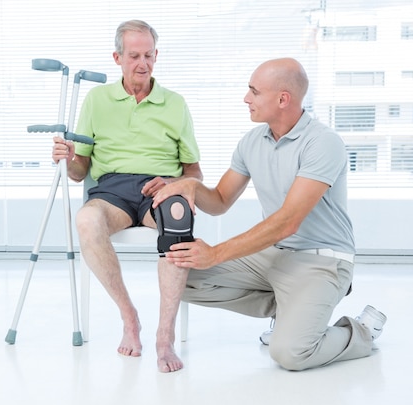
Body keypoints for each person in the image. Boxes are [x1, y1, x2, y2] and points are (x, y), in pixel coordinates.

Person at [151, 57, 387, 371]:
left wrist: (216, 253)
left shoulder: (323, 143)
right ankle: (290, 312)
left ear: (282, 99)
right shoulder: (252, 141)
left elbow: (289, 221)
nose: (246, 98)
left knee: (290, 353)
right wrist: (190, 185)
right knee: (180, 274)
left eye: (254, 92)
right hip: (274, 257)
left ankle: (361, 333)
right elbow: (220, 200)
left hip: (323, 261)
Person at [51, 20, 202, 373]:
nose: (142, 63)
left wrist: (170, 181)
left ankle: (164, 336)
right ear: (117, 57)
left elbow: (194, 173)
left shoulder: (175, 104)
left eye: (149, 55)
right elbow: (78, 173)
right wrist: (68, 155)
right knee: (87, 219)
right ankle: (129, 316)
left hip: (160, 190)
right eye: (134, 55)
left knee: (180, 216)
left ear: (156, 56)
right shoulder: (97, 99)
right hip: (112, 192)